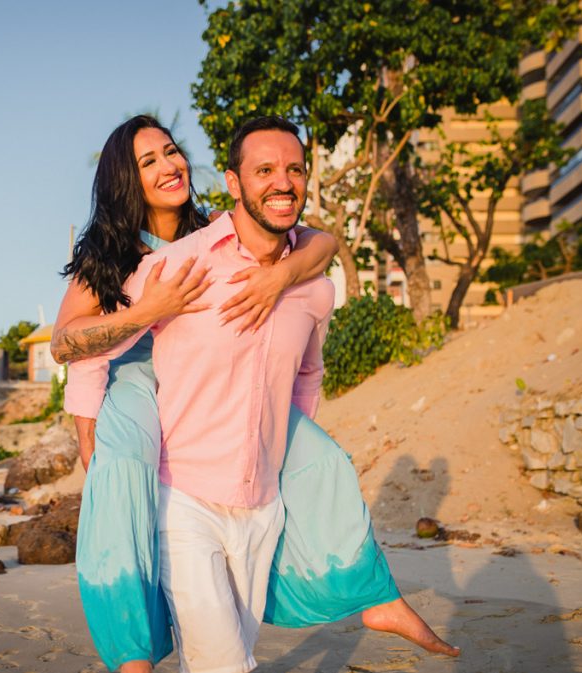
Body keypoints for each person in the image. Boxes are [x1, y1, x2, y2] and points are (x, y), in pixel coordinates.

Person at [54, 116, 458, 673]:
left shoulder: (217, 232)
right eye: (149, 161)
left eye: (172, 152)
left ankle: (374, 593)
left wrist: (281, 276)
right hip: (135, 382)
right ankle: (132, 652)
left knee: (322, 459)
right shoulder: (116, 254)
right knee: (122, 478)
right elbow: (73, 352)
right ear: (125, 179)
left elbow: (322, 244)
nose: (170, 165)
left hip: (220, 402)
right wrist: (148, 316)